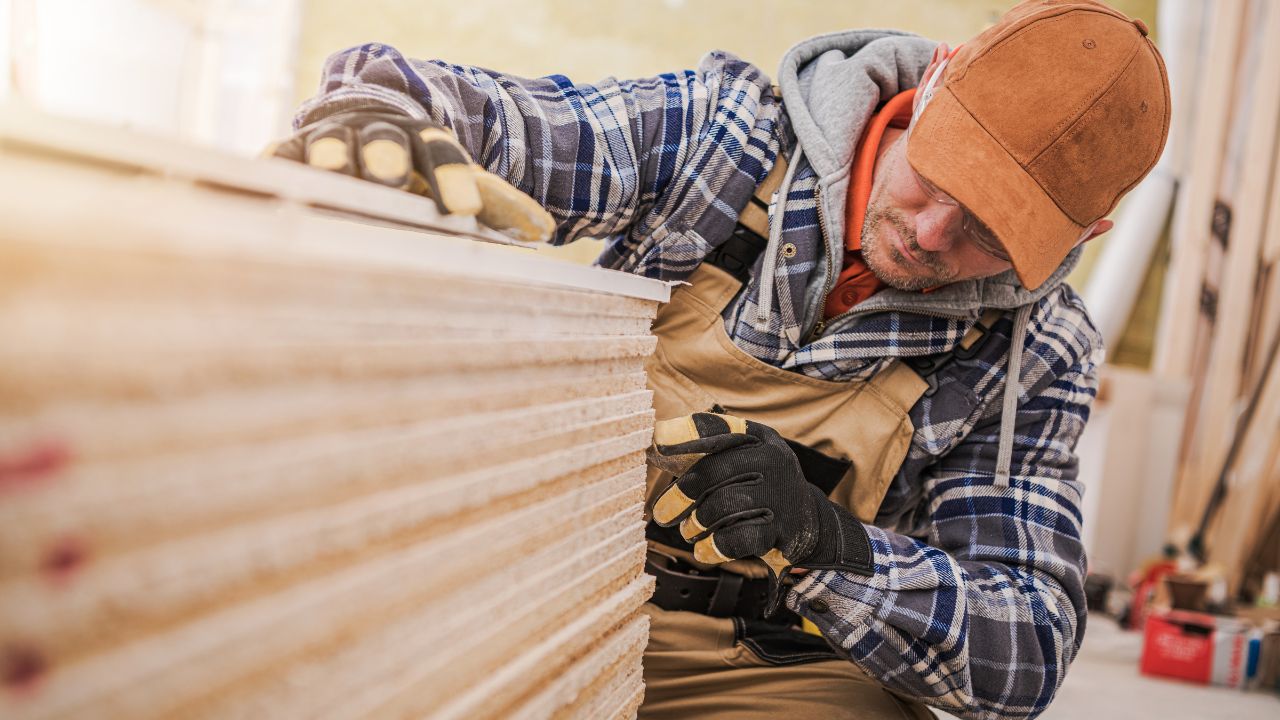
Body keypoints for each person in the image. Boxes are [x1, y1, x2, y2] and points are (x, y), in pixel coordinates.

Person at [276, 1, 1169, 717]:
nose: (932, 231)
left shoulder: (1035, 351)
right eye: (939, 175)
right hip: (561, 588)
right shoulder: (724, 139)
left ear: (1085, 235)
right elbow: (479, 115)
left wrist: (830, 544)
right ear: (931, 82)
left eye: (990, 229)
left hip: (777, 669)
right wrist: (379, 114)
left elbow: (1028, 646)